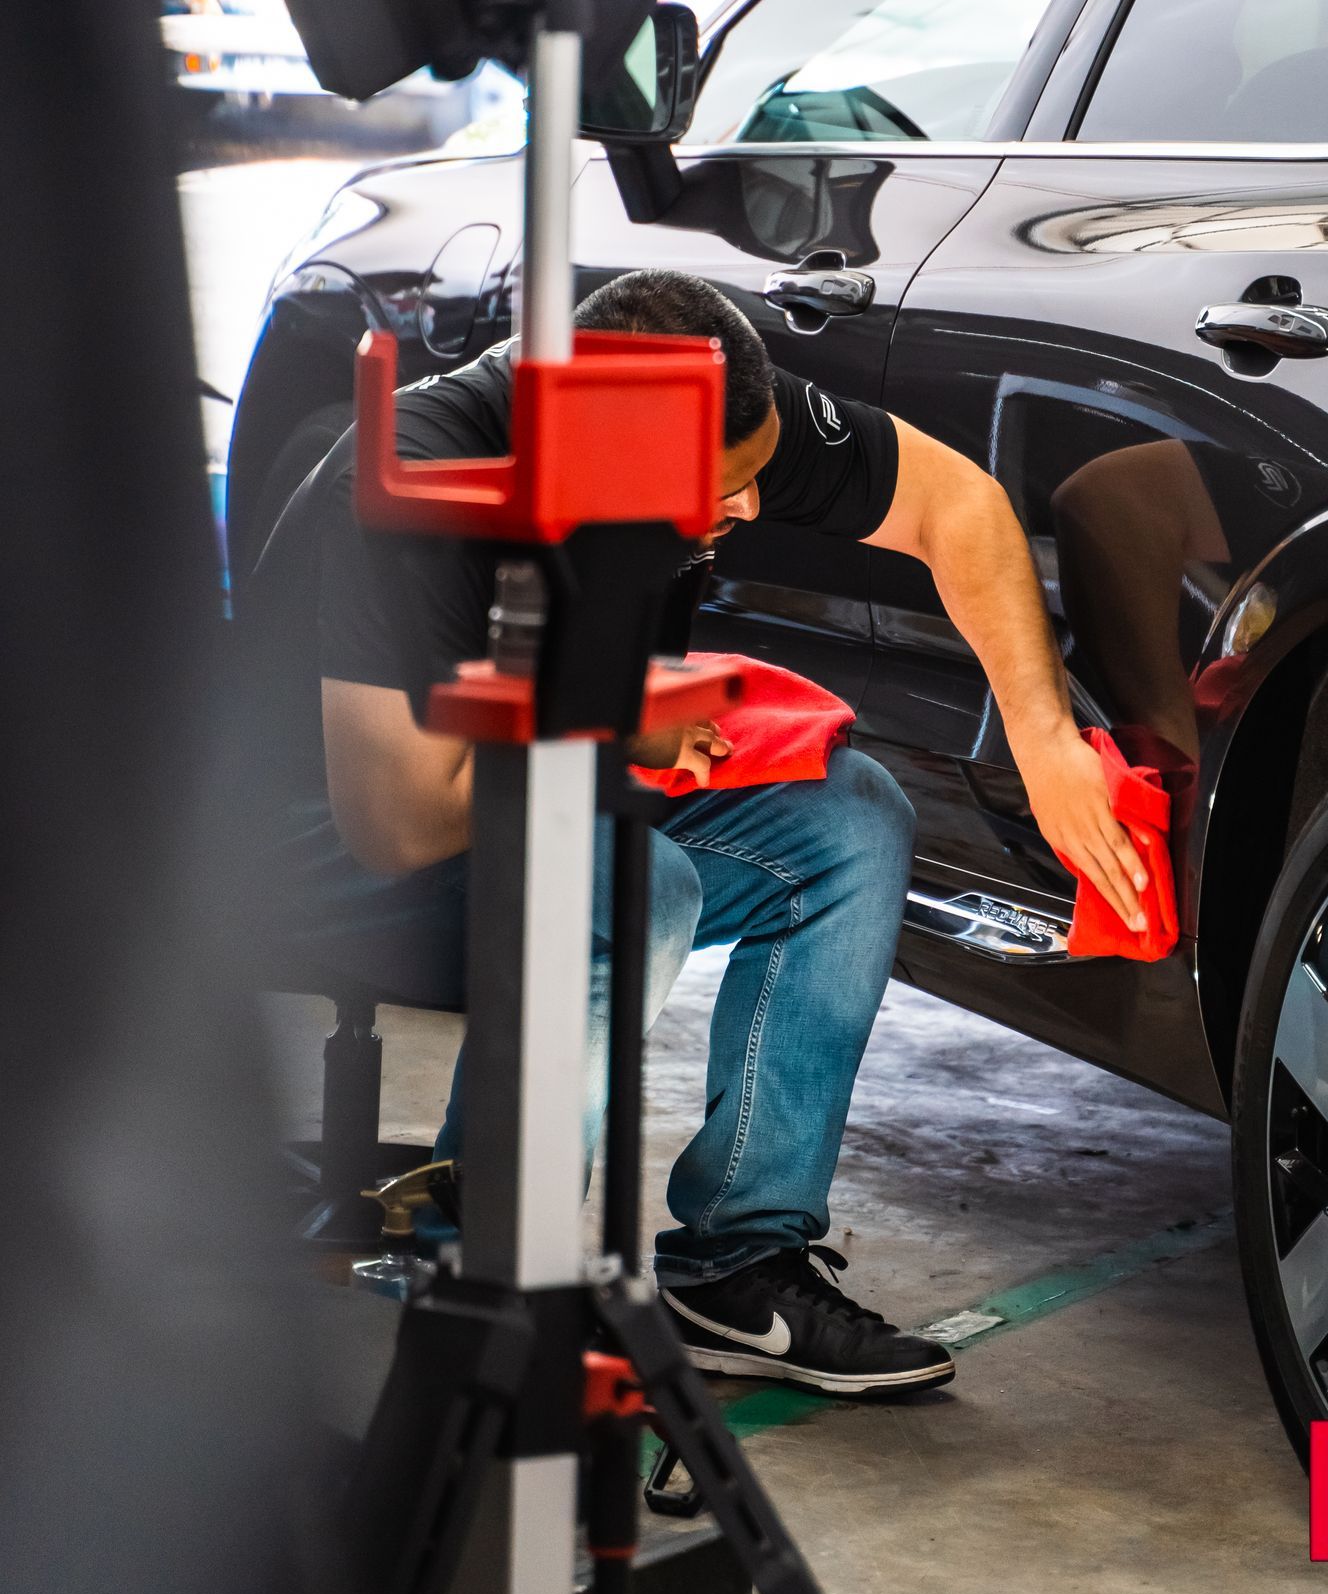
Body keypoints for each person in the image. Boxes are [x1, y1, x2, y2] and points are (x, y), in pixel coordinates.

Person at [256, 268, 1148, 1399]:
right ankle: (470, 1281)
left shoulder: (715, 415)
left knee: (852, 819)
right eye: (717, 494)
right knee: (633, 882)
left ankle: (739, 1266)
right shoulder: (428, 476)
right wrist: (618, 737)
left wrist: (1044, 737)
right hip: (315, 851)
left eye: (756, 476)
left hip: (527, 783)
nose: (751, 511)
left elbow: (954, 503)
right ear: (604, 449)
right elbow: (395, 822)